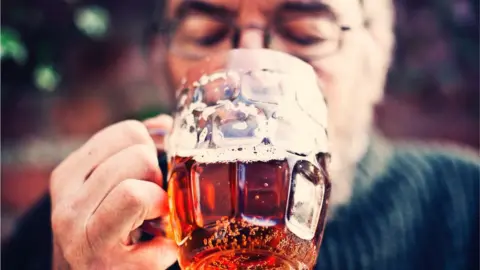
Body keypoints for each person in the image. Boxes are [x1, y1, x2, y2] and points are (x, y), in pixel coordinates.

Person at [2, 0, 479, 269]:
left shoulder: (467, 207)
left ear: (378, 54)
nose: (249, 73)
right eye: (208, 33)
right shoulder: (71, 228)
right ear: (158, 57)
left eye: (306, 33)